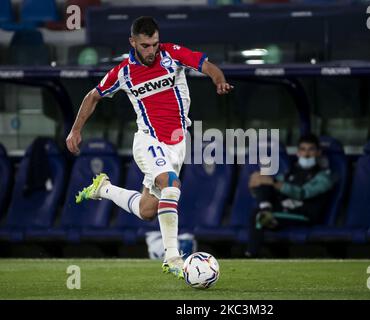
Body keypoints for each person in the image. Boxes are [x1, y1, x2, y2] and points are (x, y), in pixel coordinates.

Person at [65, 16, 233, 278]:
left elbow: (206, 65)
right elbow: (93, 95)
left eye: (154, 44)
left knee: (147, 210)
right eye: (145, 45)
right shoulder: (123, 72)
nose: (151, 50)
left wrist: (218, 80)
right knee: (171, 183)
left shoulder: (172, 54)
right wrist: (76, 129)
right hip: (148, 140)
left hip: (177, 143)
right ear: (132, 42)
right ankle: (173, 257)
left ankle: (104, 188)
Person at [245, 134, 336, 257]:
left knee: (257, 215)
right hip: (284, 212)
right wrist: (255, 185)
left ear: (318, 152)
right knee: (264, 185)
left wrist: (274, 182)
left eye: (311, 149)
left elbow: (302, 193)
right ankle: (266, 212)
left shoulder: (323, 177)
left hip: (304, 215)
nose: (307, 154)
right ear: (298, 153)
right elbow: (272, 187)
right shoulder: (290, 173)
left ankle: (251, 255)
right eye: (303, 149)